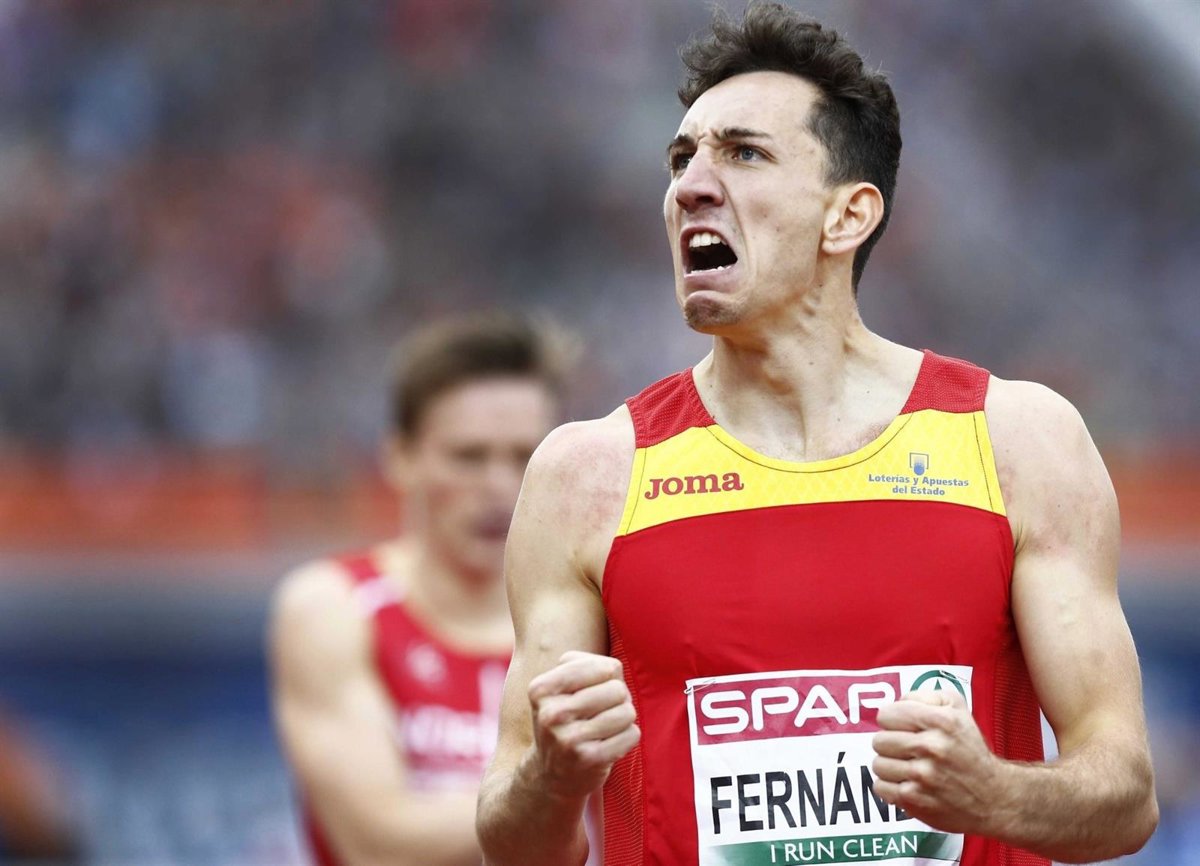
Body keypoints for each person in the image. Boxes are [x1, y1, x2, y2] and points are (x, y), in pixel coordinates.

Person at [476, 4, 1158, 866]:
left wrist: (992, 793)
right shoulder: (589, 475)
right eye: (681, 160)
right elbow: (510, 842)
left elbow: (1125, 796)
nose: (690, 186)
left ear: (848, 216)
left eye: (744, 154)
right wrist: (553, 777)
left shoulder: (1017, 442)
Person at [269, 315, 571, 866]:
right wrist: (556, 786)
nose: (500, 486)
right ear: (401, 457)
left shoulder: (595, 612)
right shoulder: (335, 607)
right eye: (468, 457)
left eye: (525, 457)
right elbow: (378, 845)